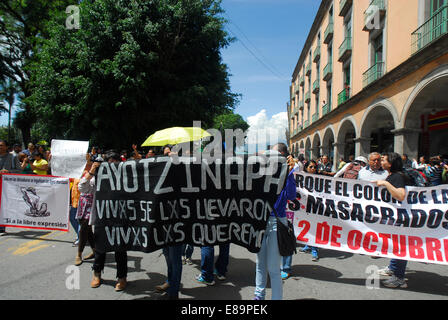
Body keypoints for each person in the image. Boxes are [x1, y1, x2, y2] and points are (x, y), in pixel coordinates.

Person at [254, 143, 296, 300]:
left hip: (277, 223)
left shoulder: (287, 174)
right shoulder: (262, 172)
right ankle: (259, 295)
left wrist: (291, 172)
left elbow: (291, 195)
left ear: (284, 157)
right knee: (260, 264)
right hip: (260, 222)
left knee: (273, 267)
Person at [90, 151, 129, 292]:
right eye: (109, 162)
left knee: (120, 248)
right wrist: (92, 170)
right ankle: (97, 274)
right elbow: (83, 187)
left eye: (115, 162)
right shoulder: (98, 177)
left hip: (120, 218)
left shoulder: (126, 178)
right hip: (103, 218)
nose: (112, 165)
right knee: (100, 248)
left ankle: (122, 277)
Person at [375, 152, 409, 288]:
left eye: (383, 160)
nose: (380, 162)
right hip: (394, 217)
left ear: (391, 163)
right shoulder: (392, 175)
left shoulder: (397, 177)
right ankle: (393, 267)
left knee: (399, 245)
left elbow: (401, 195)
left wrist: (385, 184)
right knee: (395, 244)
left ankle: (399, 278)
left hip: (400, 218)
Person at [74, 155, 96, 266]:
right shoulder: (86, 173)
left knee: (84, 228)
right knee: (88, 230)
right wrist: (90, 172)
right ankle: (95, 250)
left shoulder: (99, 175)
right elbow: (81, 187)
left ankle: (79, 254)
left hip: (93, 203)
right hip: (83, 203)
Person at [298, 160, 320, 262]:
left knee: (314, 227)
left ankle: (314, 250)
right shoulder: (301, 177)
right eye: (310, 167)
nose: (313, 169)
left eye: (314, 167)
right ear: (306, 168)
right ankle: (307, 246)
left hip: (314, 207)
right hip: (304, 206)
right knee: (306, 226)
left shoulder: (320, 179)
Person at [0, 139, 21, 235]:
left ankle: (2, 227)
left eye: (1, 145)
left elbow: (19, 171)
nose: (0, 147)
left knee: (3, 206)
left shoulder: (13, 157)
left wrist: (9, 173)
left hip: (7, 186)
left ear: (6, 147)